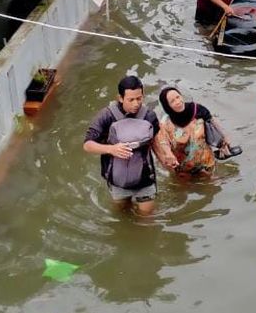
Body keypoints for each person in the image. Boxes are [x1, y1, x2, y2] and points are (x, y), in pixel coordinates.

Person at [83, 76, 174, 216]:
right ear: (120, 98)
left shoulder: (149, 116)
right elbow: (87, 145)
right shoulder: (106, 116)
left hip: (145, 177)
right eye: (131, 100)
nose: (136, 104)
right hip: (117, 179)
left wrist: (164, 159)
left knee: (147, 219)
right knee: (121, 214)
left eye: (139, 98)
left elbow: (153, 141)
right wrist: (111, 149)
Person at [155, 87, 240, 176]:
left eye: (178, 97)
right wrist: (168, 153)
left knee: (214, 187)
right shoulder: (165, 123)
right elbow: (163, 141)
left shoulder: (197, 109)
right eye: (172, 101)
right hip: (184, 172)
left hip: (207, 163)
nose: (178, 101)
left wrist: (225, 137)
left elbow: (213, 122)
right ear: (167, 106)